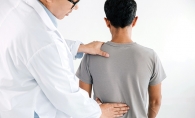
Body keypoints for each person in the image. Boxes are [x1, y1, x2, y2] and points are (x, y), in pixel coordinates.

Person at [0, 0, 130, 118]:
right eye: (73, 2)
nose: (76, 7)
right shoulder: (42, 38)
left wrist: (80, 47)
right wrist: (98, 112)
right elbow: (67, 97)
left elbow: (32, 48)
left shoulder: (12, 5)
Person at [76, 0, 167, 118]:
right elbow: (156, 102)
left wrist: (95, 110)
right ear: (134, 21)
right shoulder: (150, 56)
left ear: (107, 22)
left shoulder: (91, 55)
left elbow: (82, 102)